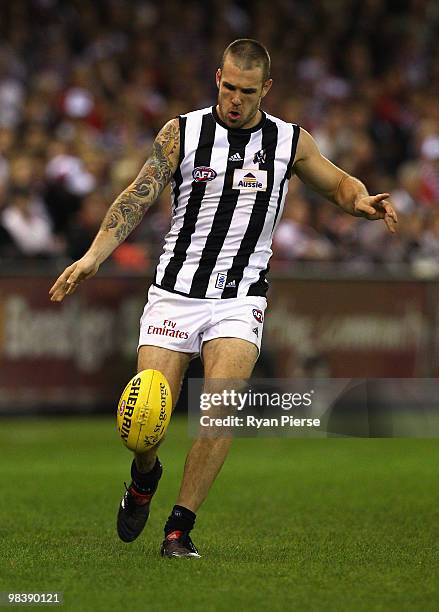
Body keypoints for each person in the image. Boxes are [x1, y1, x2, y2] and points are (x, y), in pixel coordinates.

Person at [49, 39, 398, 558]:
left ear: (267, 89)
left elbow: (338, 184)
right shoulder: (182, 132)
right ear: (218, 78)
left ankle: (179, 528)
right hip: (174, 292)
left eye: (248, 91)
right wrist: (95, 256)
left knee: (220, 410)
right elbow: (137, 195)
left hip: (240, 298)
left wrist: (360, 200)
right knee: (146, 427)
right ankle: (145, 477)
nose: (235, 99)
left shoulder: (289, 141)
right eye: (229, 87)